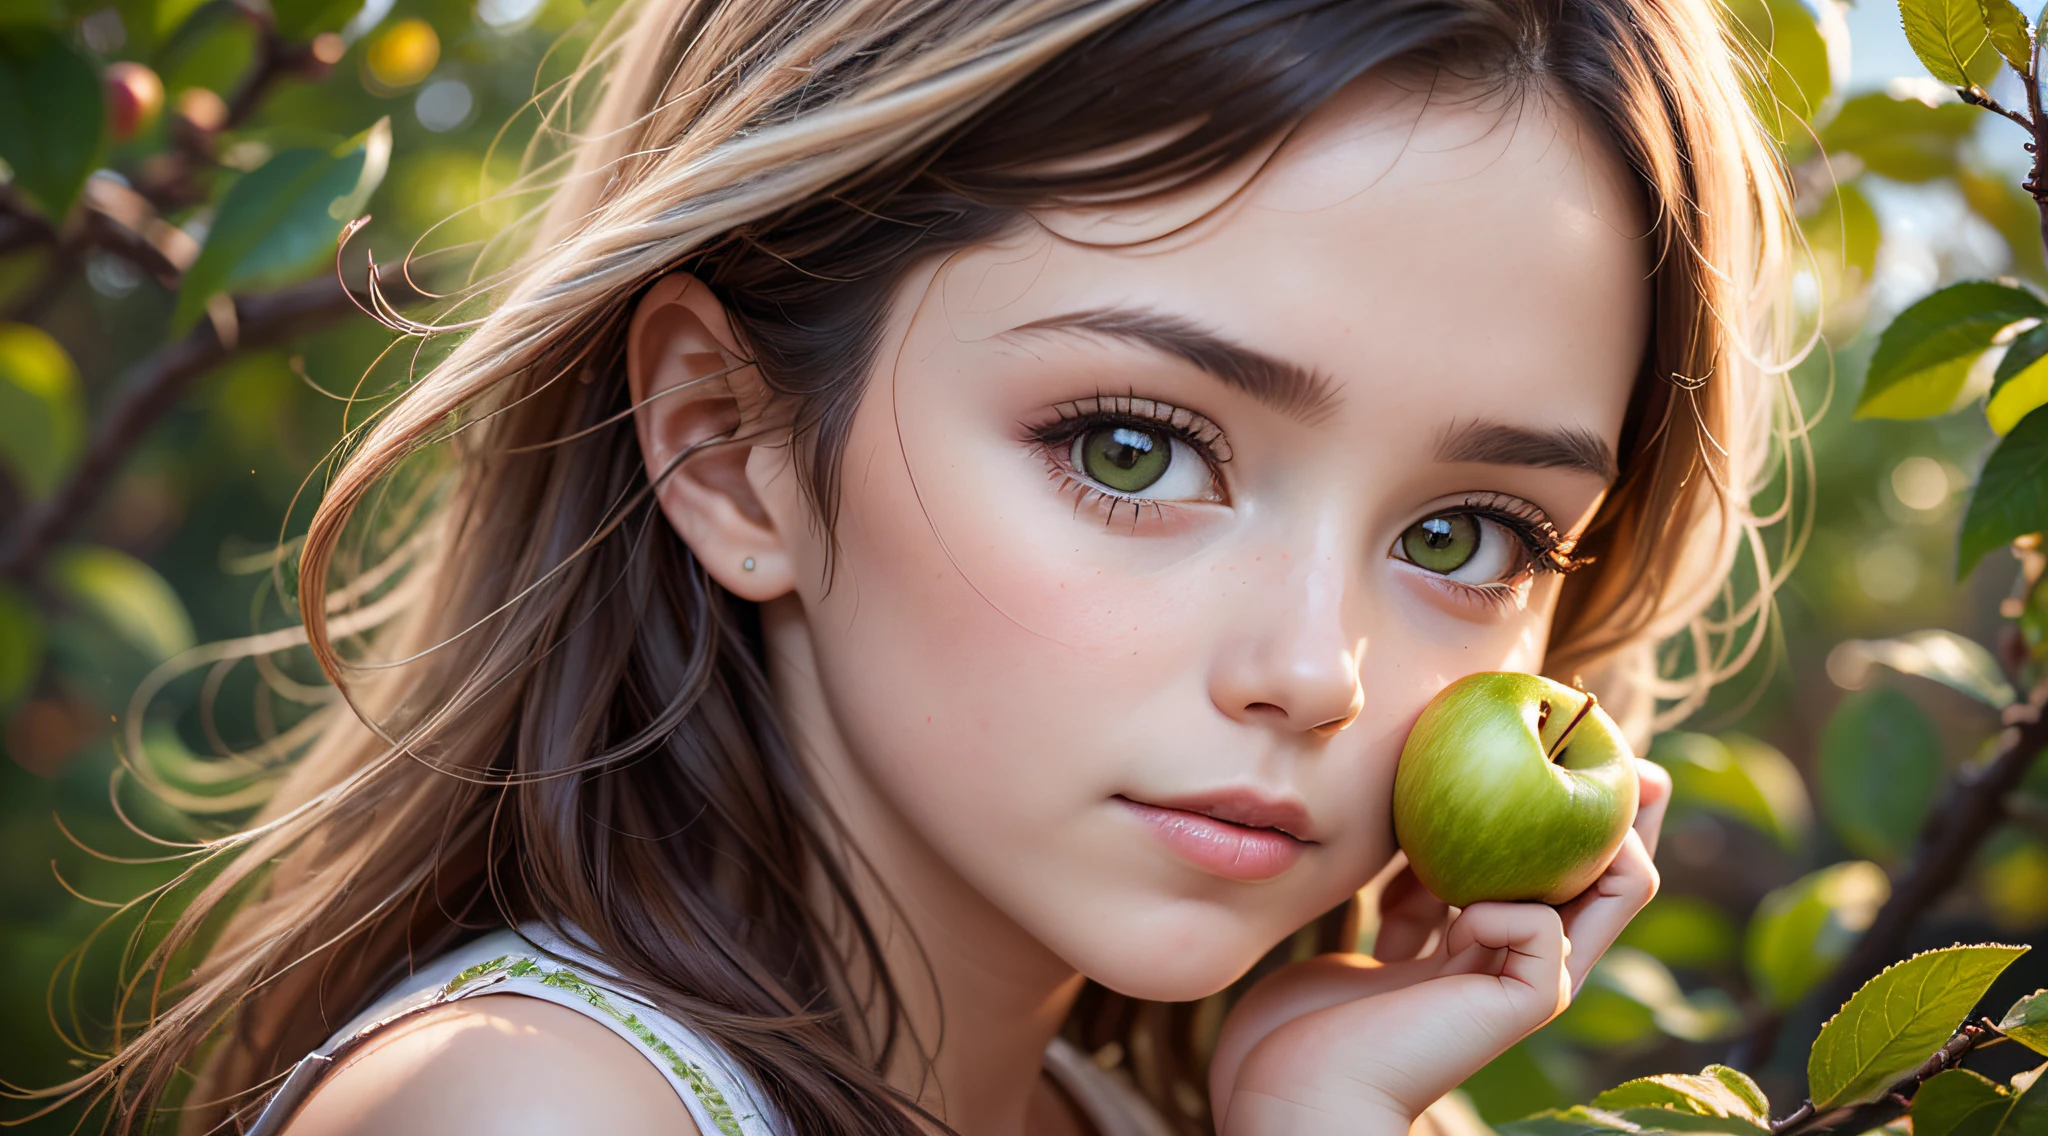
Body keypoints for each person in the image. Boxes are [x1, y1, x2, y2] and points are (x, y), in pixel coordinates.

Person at [66, 0, 1800, 1133]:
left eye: (1464, 536)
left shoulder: (1125, 1116)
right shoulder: (533, 1112)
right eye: (1135, 449)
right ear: (727, 446)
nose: (1316, 670)